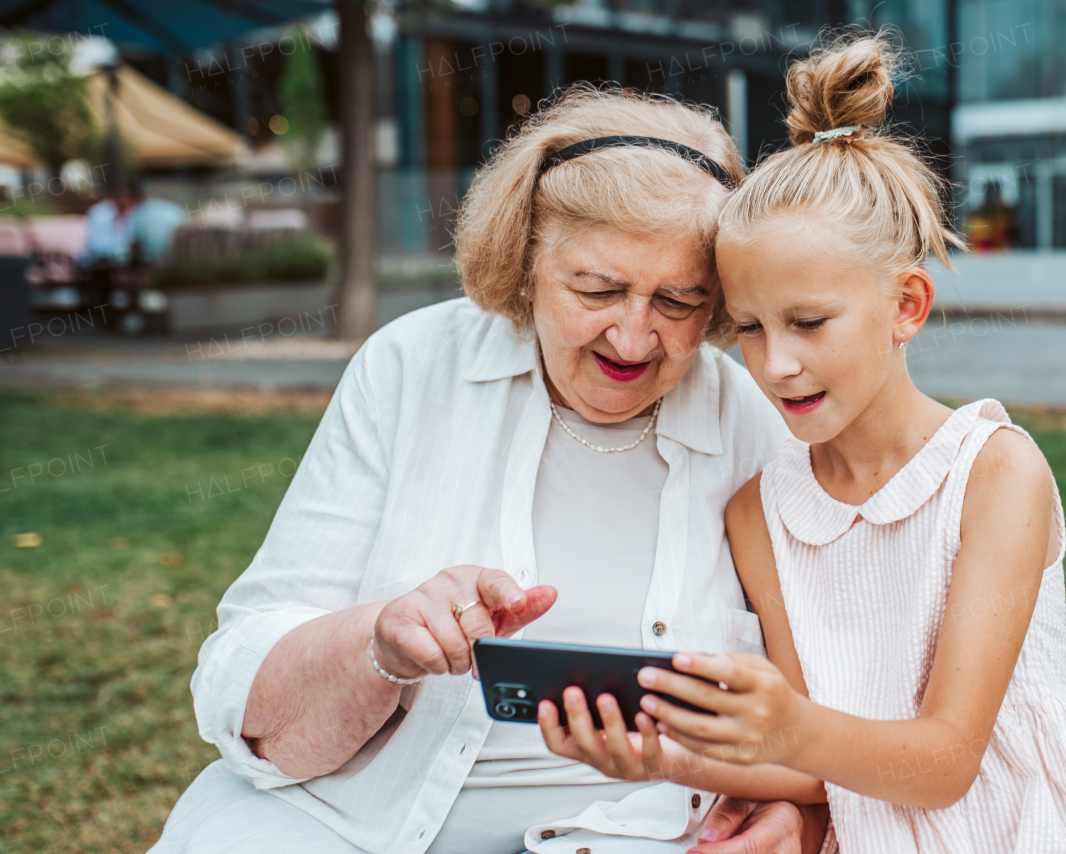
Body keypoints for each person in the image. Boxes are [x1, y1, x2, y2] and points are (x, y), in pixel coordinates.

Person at [148, 87, 831, 854]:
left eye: (679, 301)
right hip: (351, 824)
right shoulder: (411, 369)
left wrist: (804, 816)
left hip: (638, 835)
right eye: (597, 289)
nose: (634, 337)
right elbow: (248, 694)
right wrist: (381, 643)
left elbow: (835, 698)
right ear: (526, 263)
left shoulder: (757, 422)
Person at [541, 35, 1066, 853]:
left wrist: (789, 726)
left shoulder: (995, 473)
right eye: (752, 330)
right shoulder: (760, 513)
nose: (778, 363)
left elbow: (946, 762)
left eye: (808, 323)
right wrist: (665, 757)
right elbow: (814, 770)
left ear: (907, 305)